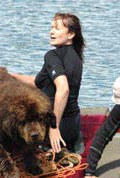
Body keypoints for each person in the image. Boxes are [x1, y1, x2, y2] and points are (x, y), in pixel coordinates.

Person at [12, 13, 85, 153]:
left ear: (70, 34)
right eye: (51, 27)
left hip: (57, 126)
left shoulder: (52, 56)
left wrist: (54, 127)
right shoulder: (76, 57)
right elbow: (38, 82)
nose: (51, 31)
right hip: (73, 125)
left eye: (57, 28)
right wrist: (12, 76)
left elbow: (63, 89)